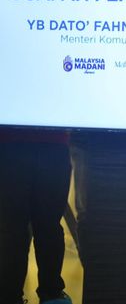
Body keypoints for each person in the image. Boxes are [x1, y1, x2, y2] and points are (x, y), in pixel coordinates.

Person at [0, 129, 73, 304]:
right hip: (53, 143)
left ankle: (10, 296)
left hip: (9, 143)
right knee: (49, 227)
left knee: (12, 230)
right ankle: (52, 293)